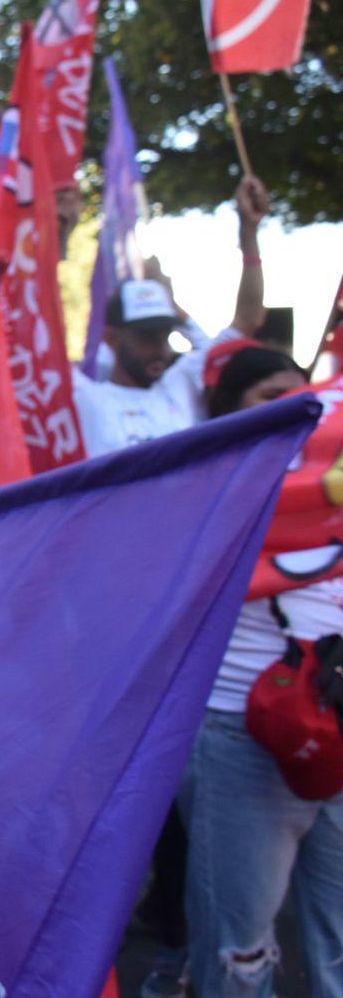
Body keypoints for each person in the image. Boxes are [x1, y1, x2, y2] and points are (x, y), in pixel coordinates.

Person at [177, 340, 342, 998]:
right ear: (228, 411)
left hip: (336, 728)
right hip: (242, 741)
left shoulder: (329, 486)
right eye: (273, 399)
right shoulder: (204, 485)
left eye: (305, 399)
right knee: (238, 950)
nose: (297, 411)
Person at [74, 176, 269, 458]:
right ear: (111, 338)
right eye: (146, 336)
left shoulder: (181, 386)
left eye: (165, 334)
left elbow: (249, 319)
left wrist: (248, 232)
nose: (161, 348)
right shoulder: (86, 399)